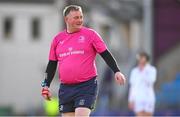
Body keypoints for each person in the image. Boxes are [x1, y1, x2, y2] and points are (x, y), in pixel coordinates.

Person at [41, 5, 126, 117]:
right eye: (76, 17)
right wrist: (45, 85)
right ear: (66, 19)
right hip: (66, 88)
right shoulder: (57, 40)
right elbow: (52, 64)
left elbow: (105, 54)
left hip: (86, 86)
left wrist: (116, 71)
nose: (80, 20)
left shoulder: (91, 35)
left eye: (81, 17)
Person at [128, 52, 157, 116]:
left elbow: (151, 81)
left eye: (142, 58)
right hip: (138, 98)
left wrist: (143, 71)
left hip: (148, 97)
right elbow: (132, 86)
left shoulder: (152, 70)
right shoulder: (134, 71)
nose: (140, 61)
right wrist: (131, 100)